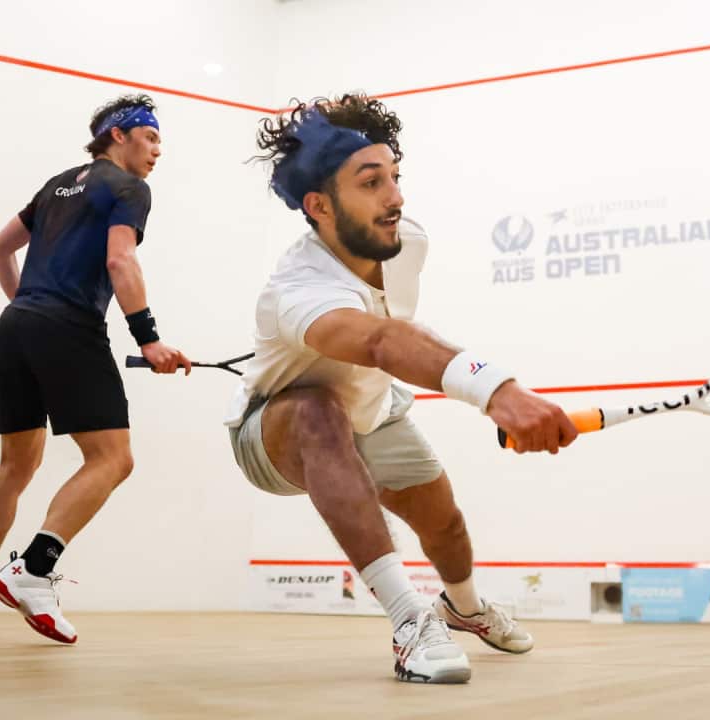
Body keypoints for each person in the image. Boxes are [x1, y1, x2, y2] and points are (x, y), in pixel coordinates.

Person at [225, 93, 578, 683]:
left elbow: (400, 330)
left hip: (374, 411)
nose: (396, 197)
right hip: (274, 435)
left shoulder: (407, 241)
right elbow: (380, 341)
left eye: (394, 176)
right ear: (319, 205)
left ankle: (464, 608)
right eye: (371, 183)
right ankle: (411, 620)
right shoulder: (297, 290)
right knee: (316, 412)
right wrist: (497, 391)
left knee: (445, 524)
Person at [0, 94, 191, 644]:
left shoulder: (56, 185)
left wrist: (27, 307)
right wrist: (149, 339)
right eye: (150, 138)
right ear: (119, 135)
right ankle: (34, 569)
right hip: (69, 327)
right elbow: (120, 258)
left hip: (15, 328)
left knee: (15, 467)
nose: (157, 151)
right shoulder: (129, 188)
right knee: (113, 458)